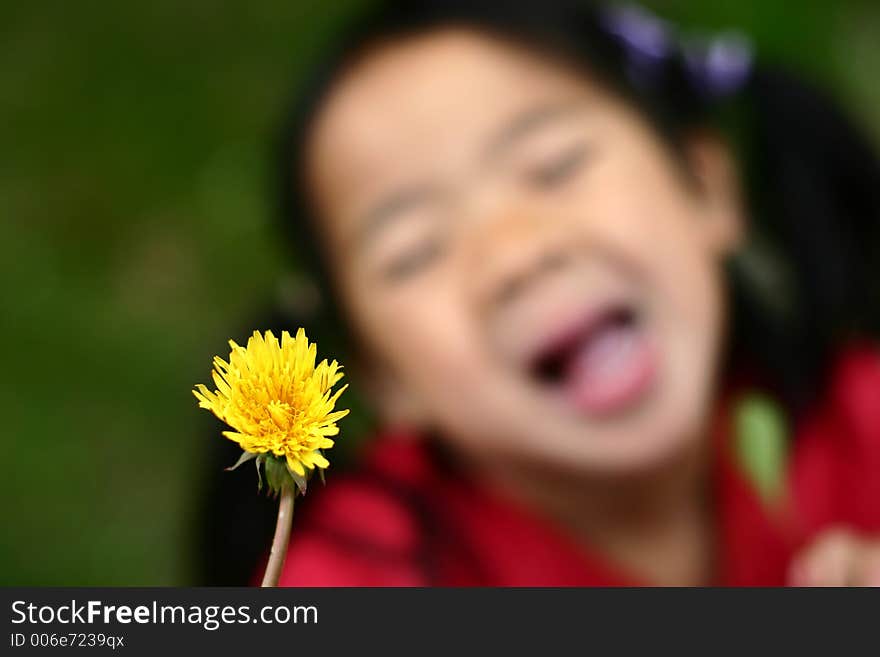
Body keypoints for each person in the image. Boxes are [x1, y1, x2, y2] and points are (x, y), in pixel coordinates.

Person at [206, 1, 880, 586]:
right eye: (414, 250)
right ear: (379, 377)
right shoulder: (356, 580)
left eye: (555, 167)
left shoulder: (862, 422)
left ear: (704, 185)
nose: (516, 254)